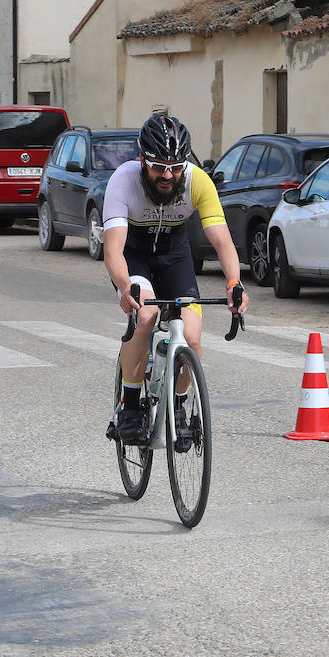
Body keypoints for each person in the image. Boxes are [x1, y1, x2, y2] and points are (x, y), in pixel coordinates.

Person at [103, 113, 248, 445]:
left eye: (175, 167)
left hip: (174, 256)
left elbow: (222, 240)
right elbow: (113, 250)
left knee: (192, 337)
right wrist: (126, 286)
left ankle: (178, 408)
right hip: (134, 257)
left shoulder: (197, 181)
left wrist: (233, 283)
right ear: (142, 160)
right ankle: (130, 407)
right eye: (158, 167)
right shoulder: (123, 180)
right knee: (147, 314)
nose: (167, 175)